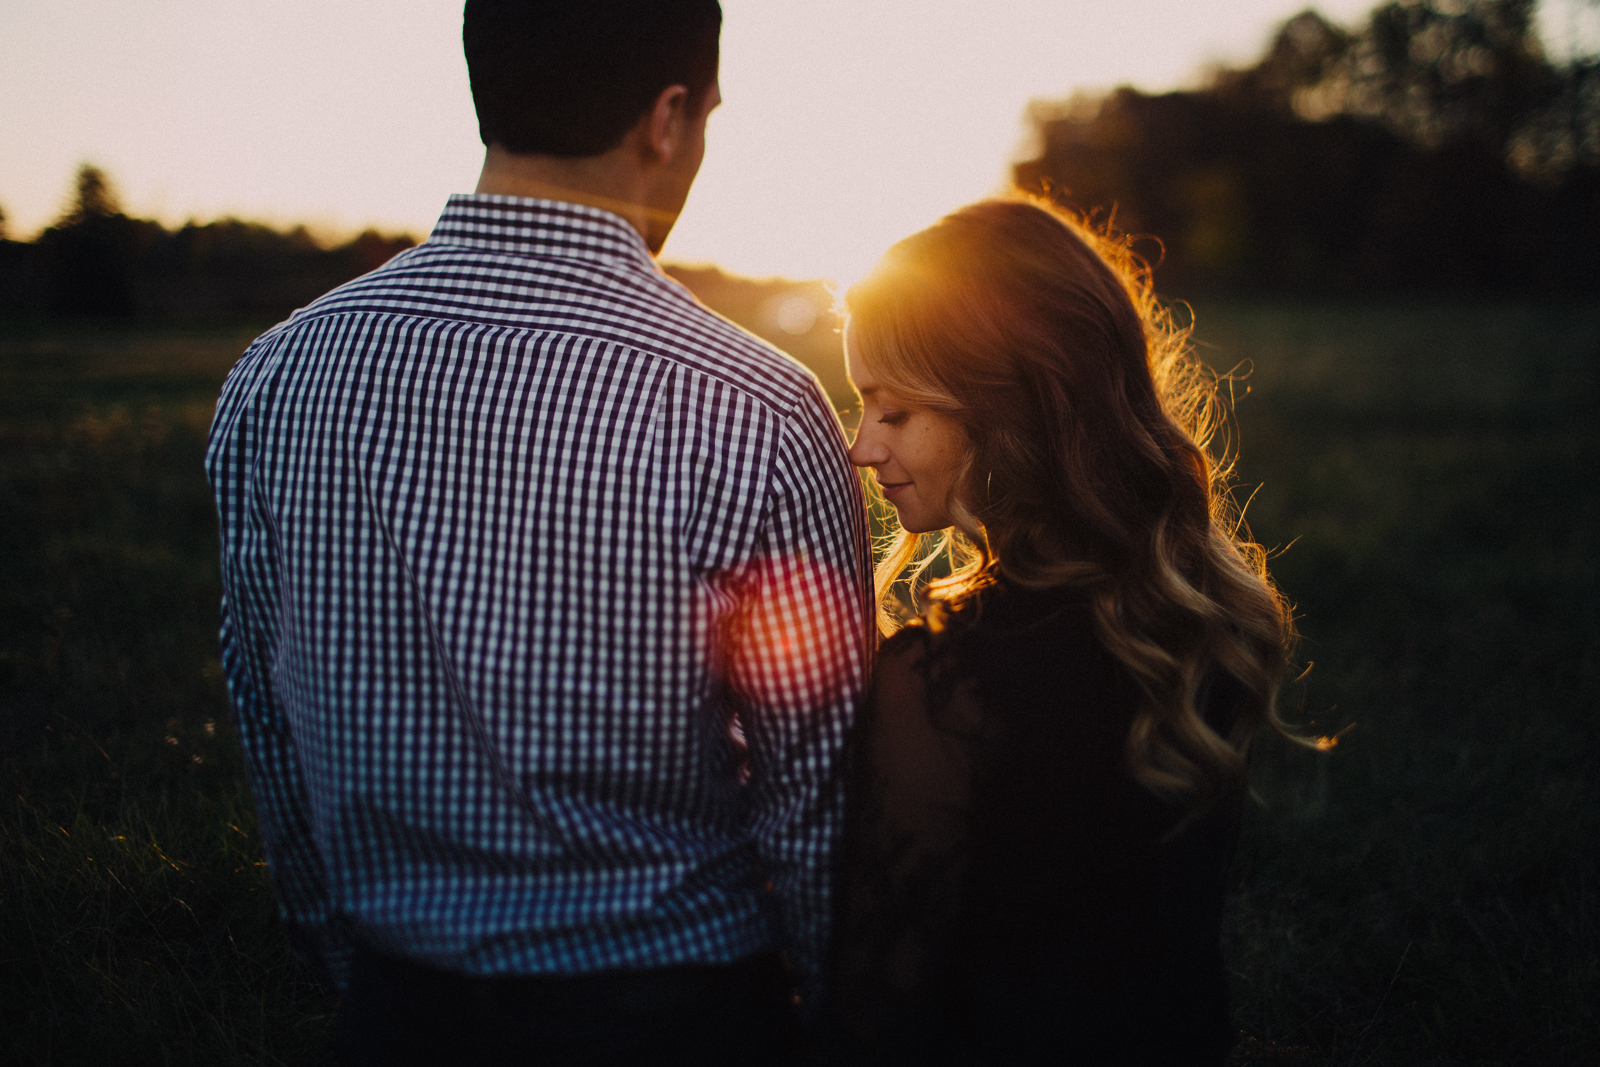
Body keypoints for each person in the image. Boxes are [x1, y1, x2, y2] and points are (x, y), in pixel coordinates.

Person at [205, 2, 873, 1064]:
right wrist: (829, 1018)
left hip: (395, 1003)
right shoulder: (755, 403)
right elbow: (818, 792)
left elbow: (269, 716)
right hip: (685, 1010)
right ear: (666, 118)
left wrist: (355, 971)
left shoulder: (280, 374)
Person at [826, 197, 1295, 1065]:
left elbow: (877, 1007)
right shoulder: (1207, 616)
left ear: (1005, 408)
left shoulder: (946, 684)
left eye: (892, 412)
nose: (861, 446)